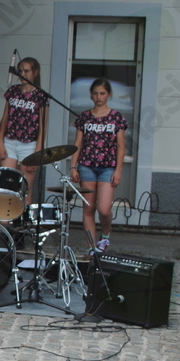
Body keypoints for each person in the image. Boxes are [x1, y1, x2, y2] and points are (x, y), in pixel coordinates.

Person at [71, 78, 127, 255]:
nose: (98, 97)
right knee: (88, 208)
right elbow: (77, 143)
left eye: (102, 93)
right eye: (95, 93)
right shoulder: (84, 117)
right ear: (91, 95)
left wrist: (118, 170)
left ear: (108, 94)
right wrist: (73, 166)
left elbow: (121, 146)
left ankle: (106, 234)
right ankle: (91, 247)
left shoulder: (116, 117)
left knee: (103, 209)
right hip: (86, 166)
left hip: (108, 167)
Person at [0, 57, 48, 203]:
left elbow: (43, 126)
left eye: (26, 71)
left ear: (35, 72)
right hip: (10, 141)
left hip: (30, 144)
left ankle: (24, 216)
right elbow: (5, 118)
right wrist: (0, 143)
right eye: (20, 71)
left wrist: (37, 153)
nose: (22, 74)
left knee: (25, 188)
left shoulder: (41, 95)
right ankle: (6, 215)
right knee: (6, 185)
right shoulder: (13, 91)